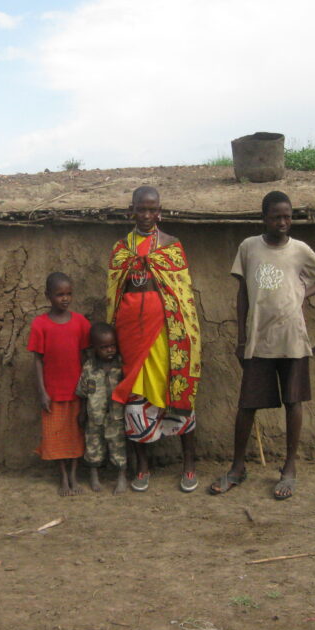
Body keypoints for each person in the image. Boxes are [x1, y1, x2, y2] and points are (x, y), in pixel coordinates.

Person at [210, 190, 315, 499]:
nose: (283, 222)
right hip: (258, 338)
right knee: (247, 405)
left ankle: (289, 469)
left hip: (292, 338)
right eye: (276, 216)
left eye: (287, 216)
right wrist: (241, 339)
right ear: (264, 218)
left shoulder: (299, 250)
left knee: (293, 402)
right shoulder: (249, 248)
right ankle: (237, 468)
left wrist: (303, 294)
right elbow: (242, 294)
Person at [107, 186, 202, 493]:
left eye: (152, 209)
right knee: (136, 395)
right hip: (131, 334)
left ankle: (189, 465)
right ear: (131, 210)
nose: (147, 215)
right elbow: (115, 294)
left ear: (160, 211)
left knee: (175, 388)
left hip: (166, 336)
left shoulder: (172, 247)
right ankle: (142, 467)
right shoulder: (121, 249)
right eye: (141, 209)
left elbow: (182, 294)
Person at [28, 272, 91, 496]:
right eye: (59, 294)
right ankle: (63, 477)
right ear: (48, 296)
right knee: (55, 437)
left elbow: (85, 359)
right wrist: (42, 392)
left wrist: (86, 392)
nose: (65, 299)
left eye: (68, 294)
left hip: (75, 392)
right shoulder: (40, 324)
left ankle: (74, 476)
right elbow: (37, 360)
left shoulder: (81, 323)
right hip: (53, 393)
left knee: (74, 436)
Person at [76, 322, 127, 494]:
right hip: (94, 416)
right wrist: (82, 413)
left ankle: (121, 477)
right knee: (93, 446)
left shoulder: (120, 366)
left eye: (112, 346)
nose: (110, 350)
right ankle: (94, 476)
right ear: (94, 348)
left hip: (116, 416)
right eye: (104, 347)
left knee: (118, 446)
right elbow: (83, 392)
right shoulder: (89, 367)